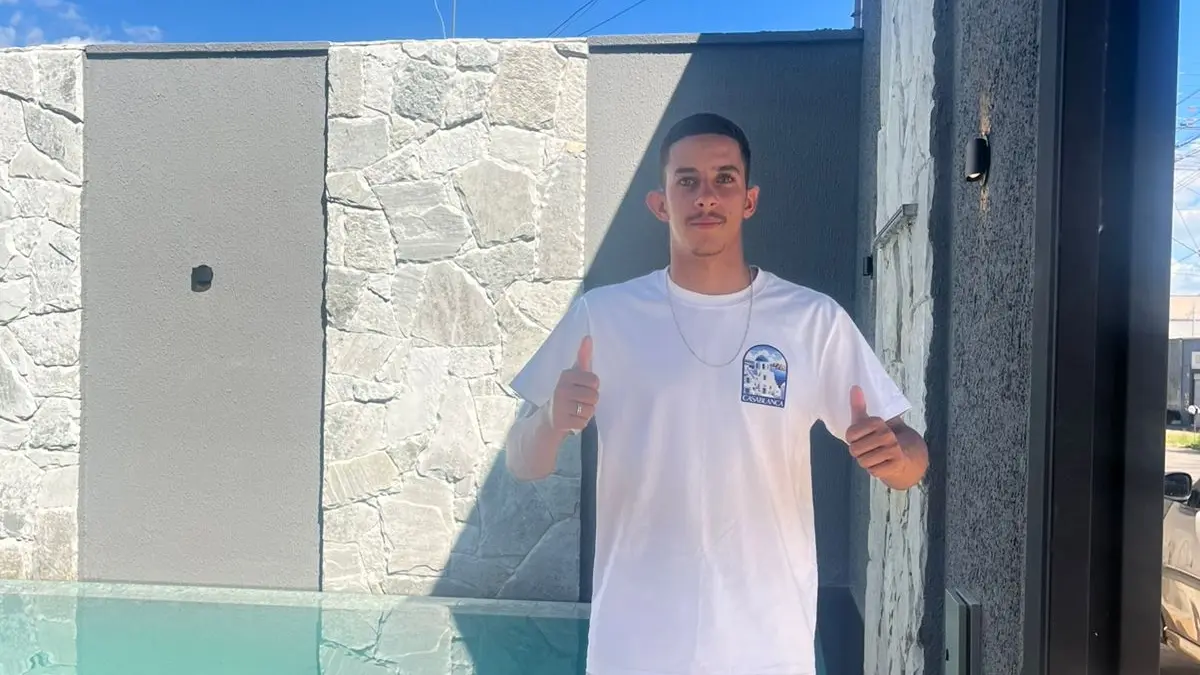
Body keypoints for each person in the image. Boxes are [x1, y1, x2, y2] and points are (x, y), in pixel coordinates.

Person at [503, 112, 929, 675]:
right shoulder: (602, 318)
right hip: (634, 647)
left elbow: (911, 460)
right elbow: (522, 461)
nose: (706, 195)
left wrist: (894, 456)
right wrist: (551, 421)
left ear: (749, 200)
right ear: (660, 203)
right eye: (687, 180)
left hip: (768, 647)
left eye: (724, 178)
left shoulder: (811, 321)